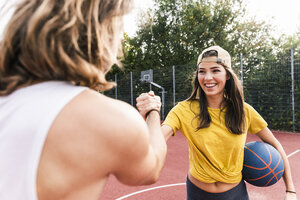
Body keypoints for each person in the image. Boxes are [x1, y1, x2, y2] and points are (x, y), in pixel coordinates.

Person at [0, 0, 167, 199]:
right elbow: (151, 168)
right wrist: (153, 111)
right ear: (98, 32)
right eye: (117, 27)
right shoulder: (109, 118)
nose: (120, 40)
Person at [136, 46, 297, 200]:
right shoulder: (183, 110)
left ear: (227, 75)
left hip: (235, 194)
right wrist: (151, 113)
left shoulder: (244, 111)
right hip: (197, 193)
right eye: (202, 71)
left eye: (215, 70)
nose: (207, 78)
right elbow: (154, 143)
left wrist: (290, 190)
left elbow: (275, 144)